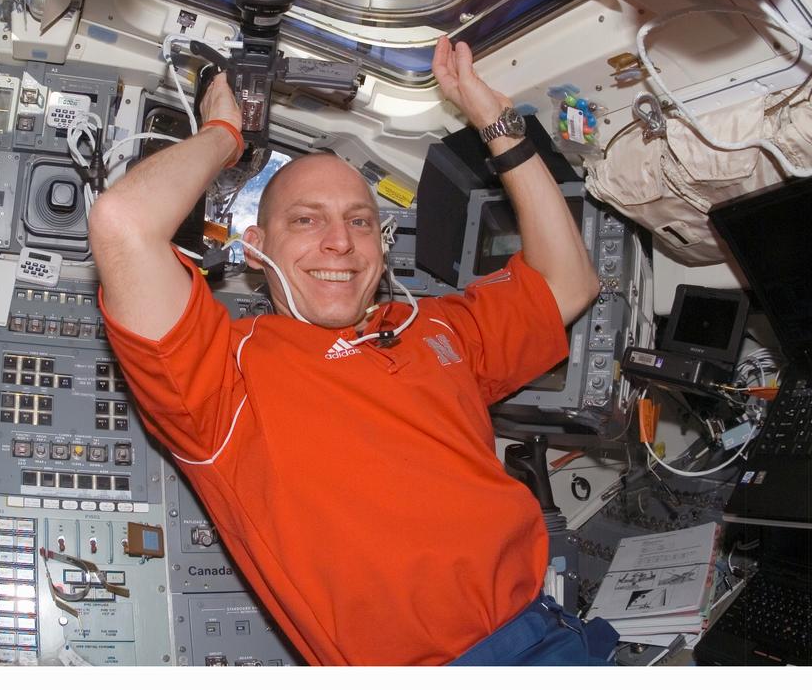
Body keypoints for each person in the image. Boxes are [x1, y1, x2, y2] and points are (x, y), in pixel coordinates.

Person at [88, 37, 615, 665]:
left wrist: (495, 122)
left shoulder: (434, 328)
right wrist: (229, 133)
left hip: (555, 633)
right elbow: (123, 223)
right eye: (306, 220)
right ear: (256, 248)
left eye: (360, 221)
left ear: (382, 245)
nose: (340, 242)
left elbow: (570, 283)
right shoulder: (218, 377)